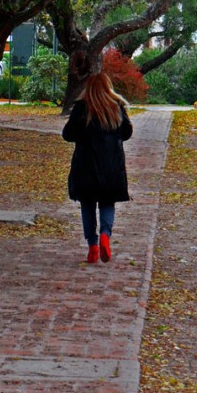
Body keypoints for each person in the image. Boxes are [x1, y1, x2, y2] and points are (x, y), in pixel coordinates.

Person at [62, 68, 133, 264]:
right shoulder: (116, 107)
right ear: (108, 87)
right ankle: (105, 235)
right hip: (111, 165)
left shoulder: (81, 108)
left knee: (87, 204)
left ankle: (92, 244)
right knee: (107, 202)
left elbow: (67, 134)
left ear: (89, 88)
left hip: (85, 165)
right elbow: (127, 132)